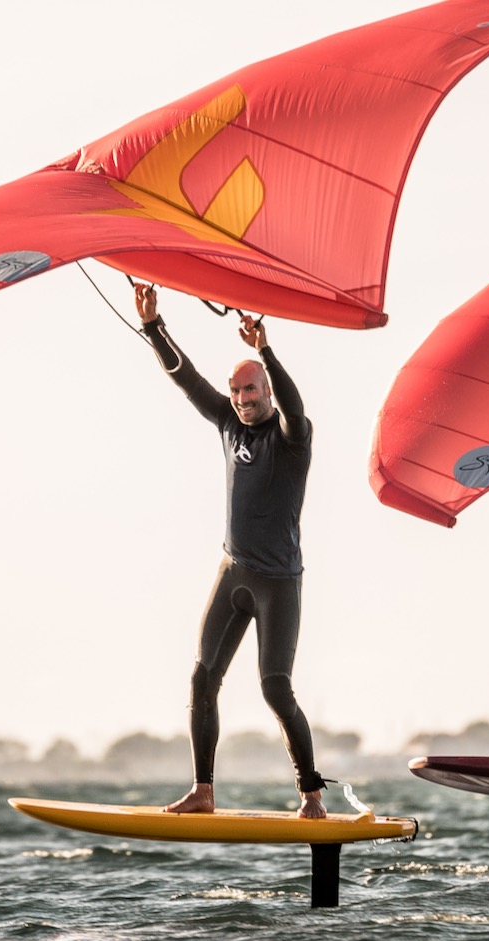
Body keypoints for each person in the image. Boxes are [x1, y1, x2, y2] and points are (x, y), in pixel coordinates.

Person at [134, 284, 326, 818]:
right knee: (202, 677)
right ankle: (203, 791)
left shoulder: (293, 438)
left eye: (250, 391)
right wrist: (154, 327)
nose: (242, 401)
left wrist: (266, 349)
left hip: (279, 582)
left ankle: (311, 796)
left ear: (264, 389)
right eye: (236, 392)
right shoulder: (226, 422)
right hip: (233, 571)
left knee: (275, 689)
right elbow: (186, 379)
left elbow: (294, 405)